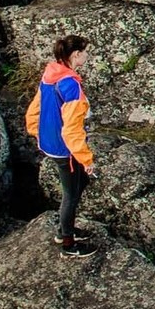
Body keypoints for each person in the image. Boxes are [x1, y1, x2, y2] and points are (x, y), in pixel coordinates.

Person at [25, 34, 97, 253]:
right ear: (76, 54)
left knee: (80, 183)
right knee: (71, 195)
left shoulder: (51, 75)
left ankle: (66, 228)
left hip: (51, 141)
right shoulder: (70, 86)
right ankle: (67, 242)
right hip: (65, 148)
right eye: (85, 52)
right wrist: (86, 158)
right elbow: (72, 129)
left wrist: (38, 132)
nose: (87, 55)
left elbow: (35, 109)